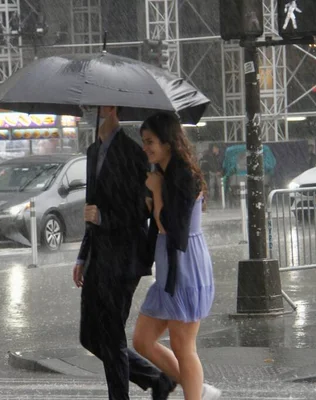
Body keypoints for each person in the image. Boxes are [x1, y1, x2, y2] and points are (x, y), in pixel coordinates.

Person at [73, 106, 177, 400]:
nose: (84, 112)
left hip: (123, 258)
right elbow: (91, 206)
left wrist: (104, 218)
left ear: (108, 108)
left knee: (112, 336)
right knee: (90, 336)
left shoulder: (132, 152)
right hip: (98, 257)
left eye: (89, 106)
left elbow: (139, 211)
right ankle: (157, 380)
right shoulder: (94, 150)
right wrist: (83, 255)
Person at [133, 112, 221, 400]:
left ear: (168, 142)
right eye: (143, 142)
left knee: (184, 348)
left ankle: (196, 392)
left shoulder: (183, 176)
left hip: (185, 267)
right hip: (168, 269)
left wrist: (157, 191)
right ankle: (197, 387)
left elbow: (170, 227)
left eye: (150, 142)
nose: (145, 148)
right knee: (142, 341)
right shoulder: (164, 173)